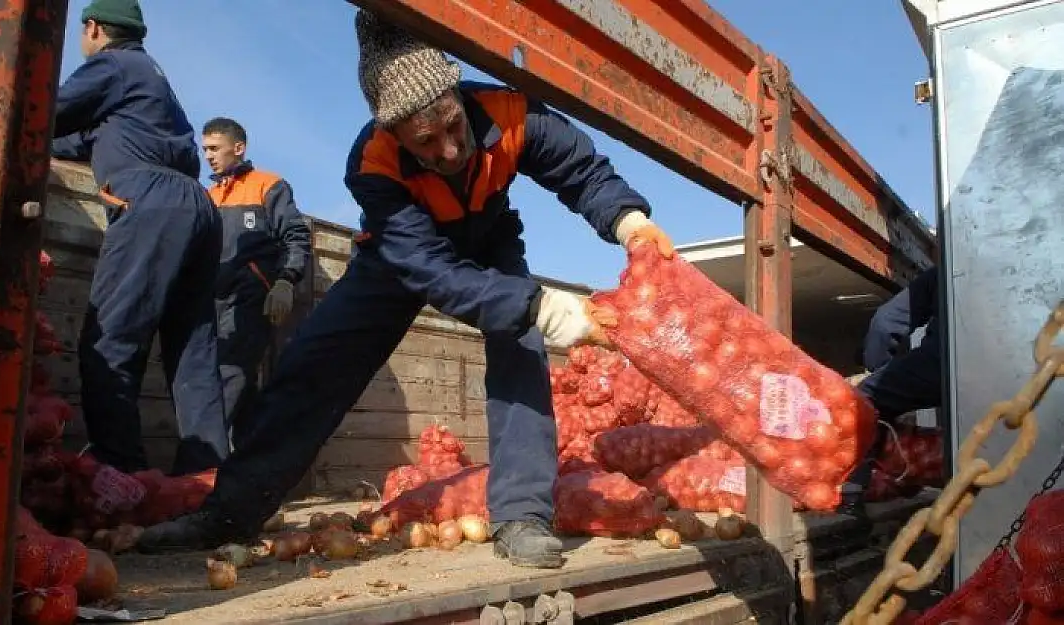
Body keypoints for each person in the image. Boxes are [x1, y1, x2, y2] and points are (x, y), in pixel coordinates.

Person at [137, 10, 673, 568]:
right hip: (398, 258)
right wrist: (540, 306)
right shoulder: (371, 162)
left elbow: (582, 173)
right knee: (315, 363)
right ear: (393, 135)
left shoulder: (512, 112)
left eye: (452, 126)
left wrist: (628, 221)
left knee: (520, 349)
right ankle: (229, 513)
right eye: (425, 141)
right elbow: (431, 270)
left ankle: (521, 515)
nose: (448, 150)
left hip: (489, 240)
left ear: (458, 95)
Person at [52, 0, 228, 476]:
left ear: (93, 27)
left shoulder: (112, 64)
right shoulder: (150, 85)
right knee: (192, 352)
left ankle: (123, 480)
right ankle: (207, 481)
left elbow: (43, 113)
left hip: (152, 203)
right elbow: (76, 140)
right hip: (196, 207)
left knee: (110, 343)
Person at [200, 118, 313, 449]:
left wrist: (285, 282)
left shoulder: (269, 184)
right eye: (204, 149)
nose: (207, 155)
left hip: (251, 296)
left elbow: (295, 235)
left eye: (214, 148)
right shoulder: (208, 196)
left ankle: (199, 463)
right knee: (239, 385)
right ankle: (244, 473)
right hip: (212, 300)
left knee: (229, 376)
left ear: (238, 148)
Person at [839, 265, 941, 516]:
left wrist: (878, 371)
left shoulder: (944, 272)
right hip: (1013, 363)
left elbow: (885, 324)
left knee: (865, 399)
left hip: (943, 361)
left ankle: (851, 493)